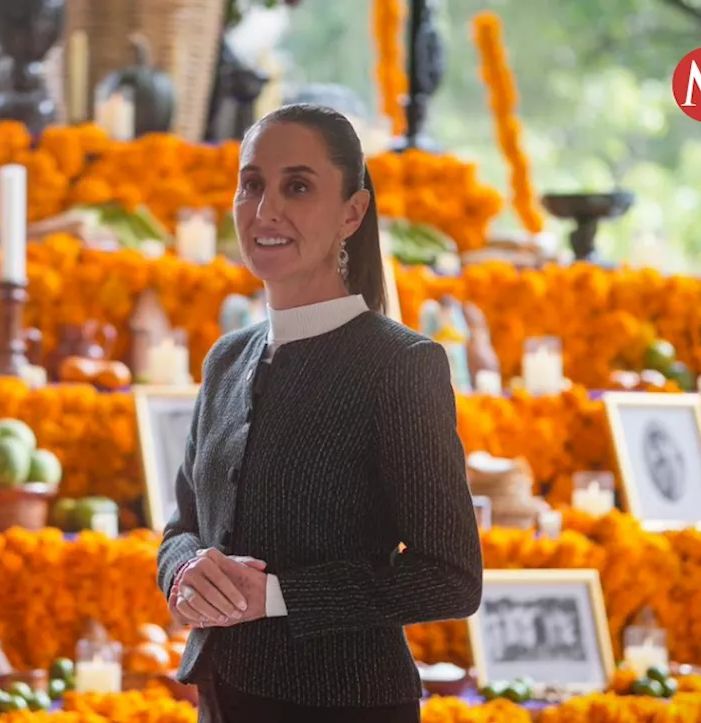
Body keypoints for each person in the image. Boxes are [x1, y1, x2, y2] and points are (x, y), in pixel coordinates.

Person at [156, 104, 484, 723]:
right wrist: (185, 573)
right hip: (221, 700)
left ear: (352, 213)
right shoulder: (227, 358)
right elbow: (182, 527)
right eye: (251, 184)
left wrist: (276, 597)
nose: (265, 210)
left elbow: (452, 577)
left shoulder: (401, 365)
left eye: (297, 186)